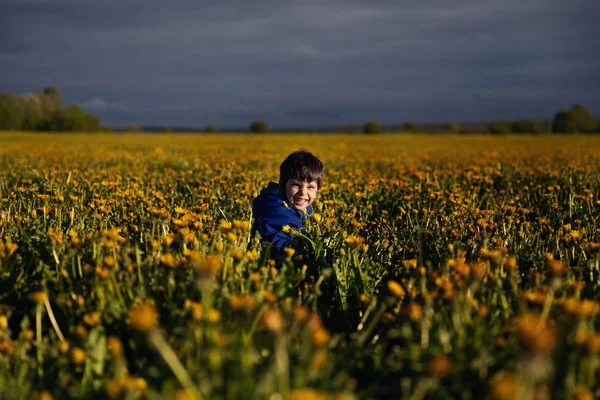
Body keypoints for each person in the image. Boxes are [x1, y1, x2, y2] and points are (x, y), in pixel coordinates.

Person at [251, 149, 323, 265]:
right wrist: (303, 251)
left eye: (310, 187)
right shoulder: (276, 211)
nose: (303, 192)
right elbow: (275, 245)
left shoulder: (302, 208)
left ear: (317, 191)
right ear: (283, 185)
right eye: (296, 185)